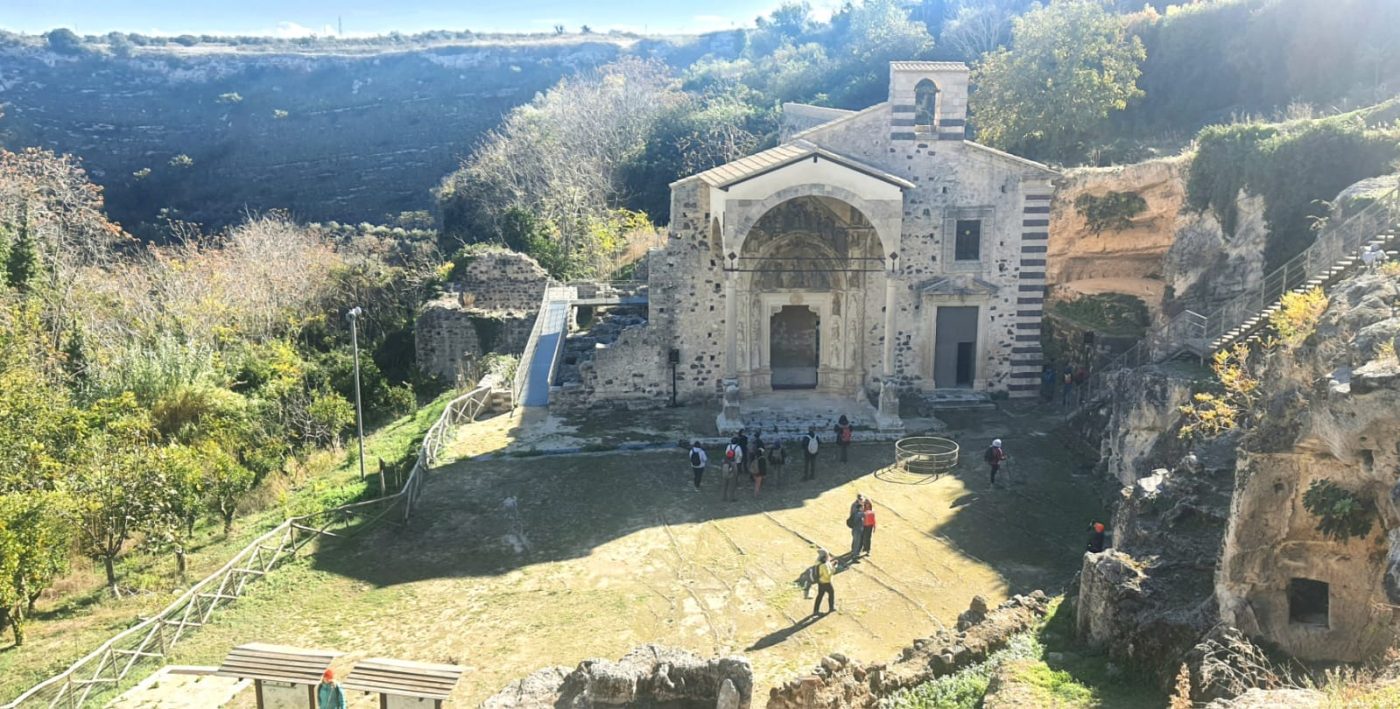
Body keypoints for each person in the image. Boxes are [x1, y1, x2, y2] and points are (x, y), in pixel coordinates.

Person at [811, 549, 836, 615]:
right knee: (831, 593)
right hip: (826, 582)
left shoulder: (818, 563)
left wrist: (831, 564)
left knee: (820, 595)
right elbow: (827, 575)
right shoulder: (824, 565)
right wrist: (833, 567)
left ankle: (815, 610)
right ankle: (831, 608)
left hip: (820, 582)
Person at [722, 437, 743, 501]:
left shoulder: (729, 446)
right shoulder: (738, 447)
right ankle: (731, 498)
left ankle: (724, 497)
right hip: (735, 464)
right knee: (732, 485)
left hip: (726, 471)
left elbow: (726, 453)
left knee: (725, 485)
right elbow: (740, 455)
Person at [847, 494, 866, 560]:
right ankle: (855, 555)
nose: (862, 501)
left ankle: (855, 552)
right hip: (857, 527)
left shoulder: (861, 505)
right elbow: (857, 516)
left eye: (863, 500)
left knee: (858, 541)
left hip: (861, 526)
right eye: (861, 500)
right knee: (857, 541)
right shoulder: (855, 507)